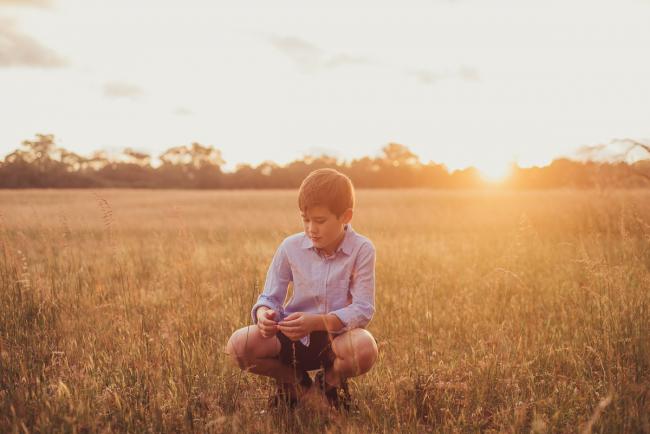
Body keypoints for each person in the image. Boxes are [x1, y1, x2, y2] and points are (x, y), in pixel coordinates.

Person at [225, 168, 378, 410]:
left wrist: (317, 322)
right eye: (305, 220)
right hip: (292, 333)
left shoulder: (362, 249)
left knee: (365, 348)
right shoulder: (290, 247)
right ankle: (295, 384)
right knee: (238, 345)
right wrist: (264, 314)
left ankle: (328, 384)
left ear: (346, 216)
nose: (311, 229)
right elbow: (269, 297)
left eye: (320, 221)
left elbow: (362, 309)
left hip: (336, 337)